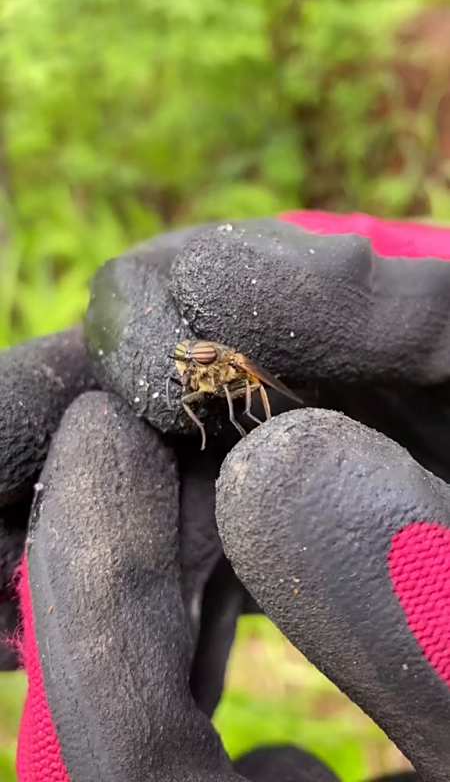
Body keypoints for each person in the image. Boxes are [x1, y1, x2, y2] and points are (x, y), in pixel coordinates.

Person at [2, 210, 449, 781]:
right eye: (186, 362)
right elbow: (189, 378)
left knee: (257, 431)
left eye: (194, 360)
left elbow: (246, 386)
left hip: (264, 408)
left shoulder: (228, 366)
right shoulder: (193, 364)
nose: (188, 366)